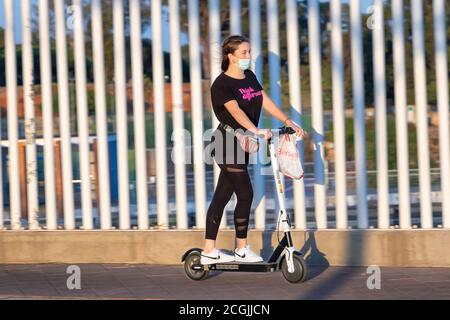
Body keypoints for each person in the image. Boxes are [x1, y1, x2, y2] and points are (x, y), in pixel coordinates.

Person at [201, 35, 307, 265]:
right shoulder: (221, 84)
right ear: (230, 56)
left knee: (221, 196)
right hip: (226, 143)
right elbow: (235, 111)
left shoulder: (249, 77)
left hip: (243, 143)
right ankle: (241, 248)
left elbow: (263, 100)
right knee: (246, 193)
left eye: (249, 52)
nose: (249, 57)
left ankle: (208, 250)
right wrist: (254, 129)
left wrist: (288, 120)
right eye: (244, 53)